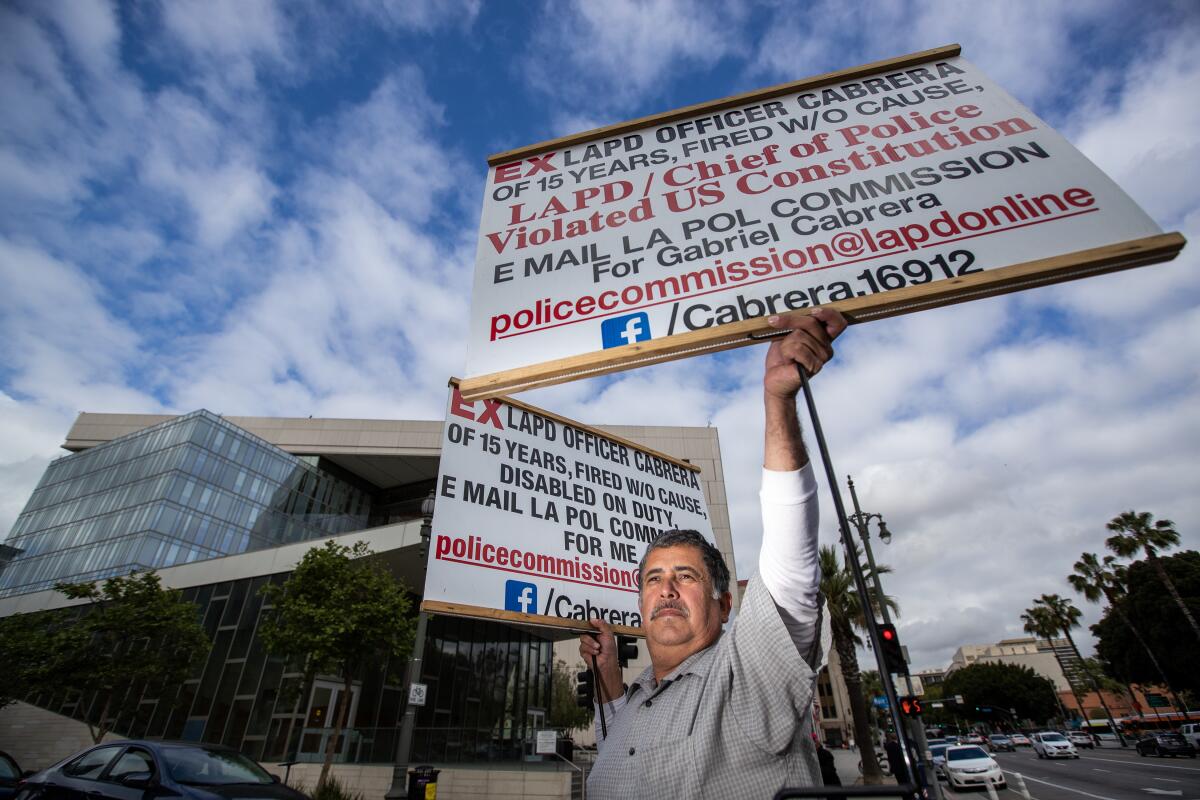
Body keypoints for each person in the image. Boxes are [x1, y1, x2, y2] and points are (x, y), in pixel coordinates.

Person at [579, 308, 848, 800]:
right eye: (653, 578)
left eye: (687, 576)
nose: (666, 589)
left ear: (725, 605)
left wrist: (776, 401)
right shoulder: (632, 706)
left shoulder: (748, 677)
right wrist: (610, 672)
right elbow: (624, 741)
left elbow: (790, 567)